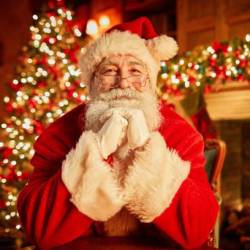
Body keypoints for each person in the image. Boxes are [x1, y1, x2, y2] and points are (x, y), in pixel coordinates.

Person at [17, 17, 219, 249]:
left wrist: (148, 152)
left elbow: (197, 231)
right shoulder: (59, 133)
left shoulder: (180, 134)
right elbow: (38, 229)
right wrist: (96, 151)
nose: (123, 82)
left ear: (150, 81)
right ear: (92, 82)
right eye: (110, 71)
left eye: (135, 70)